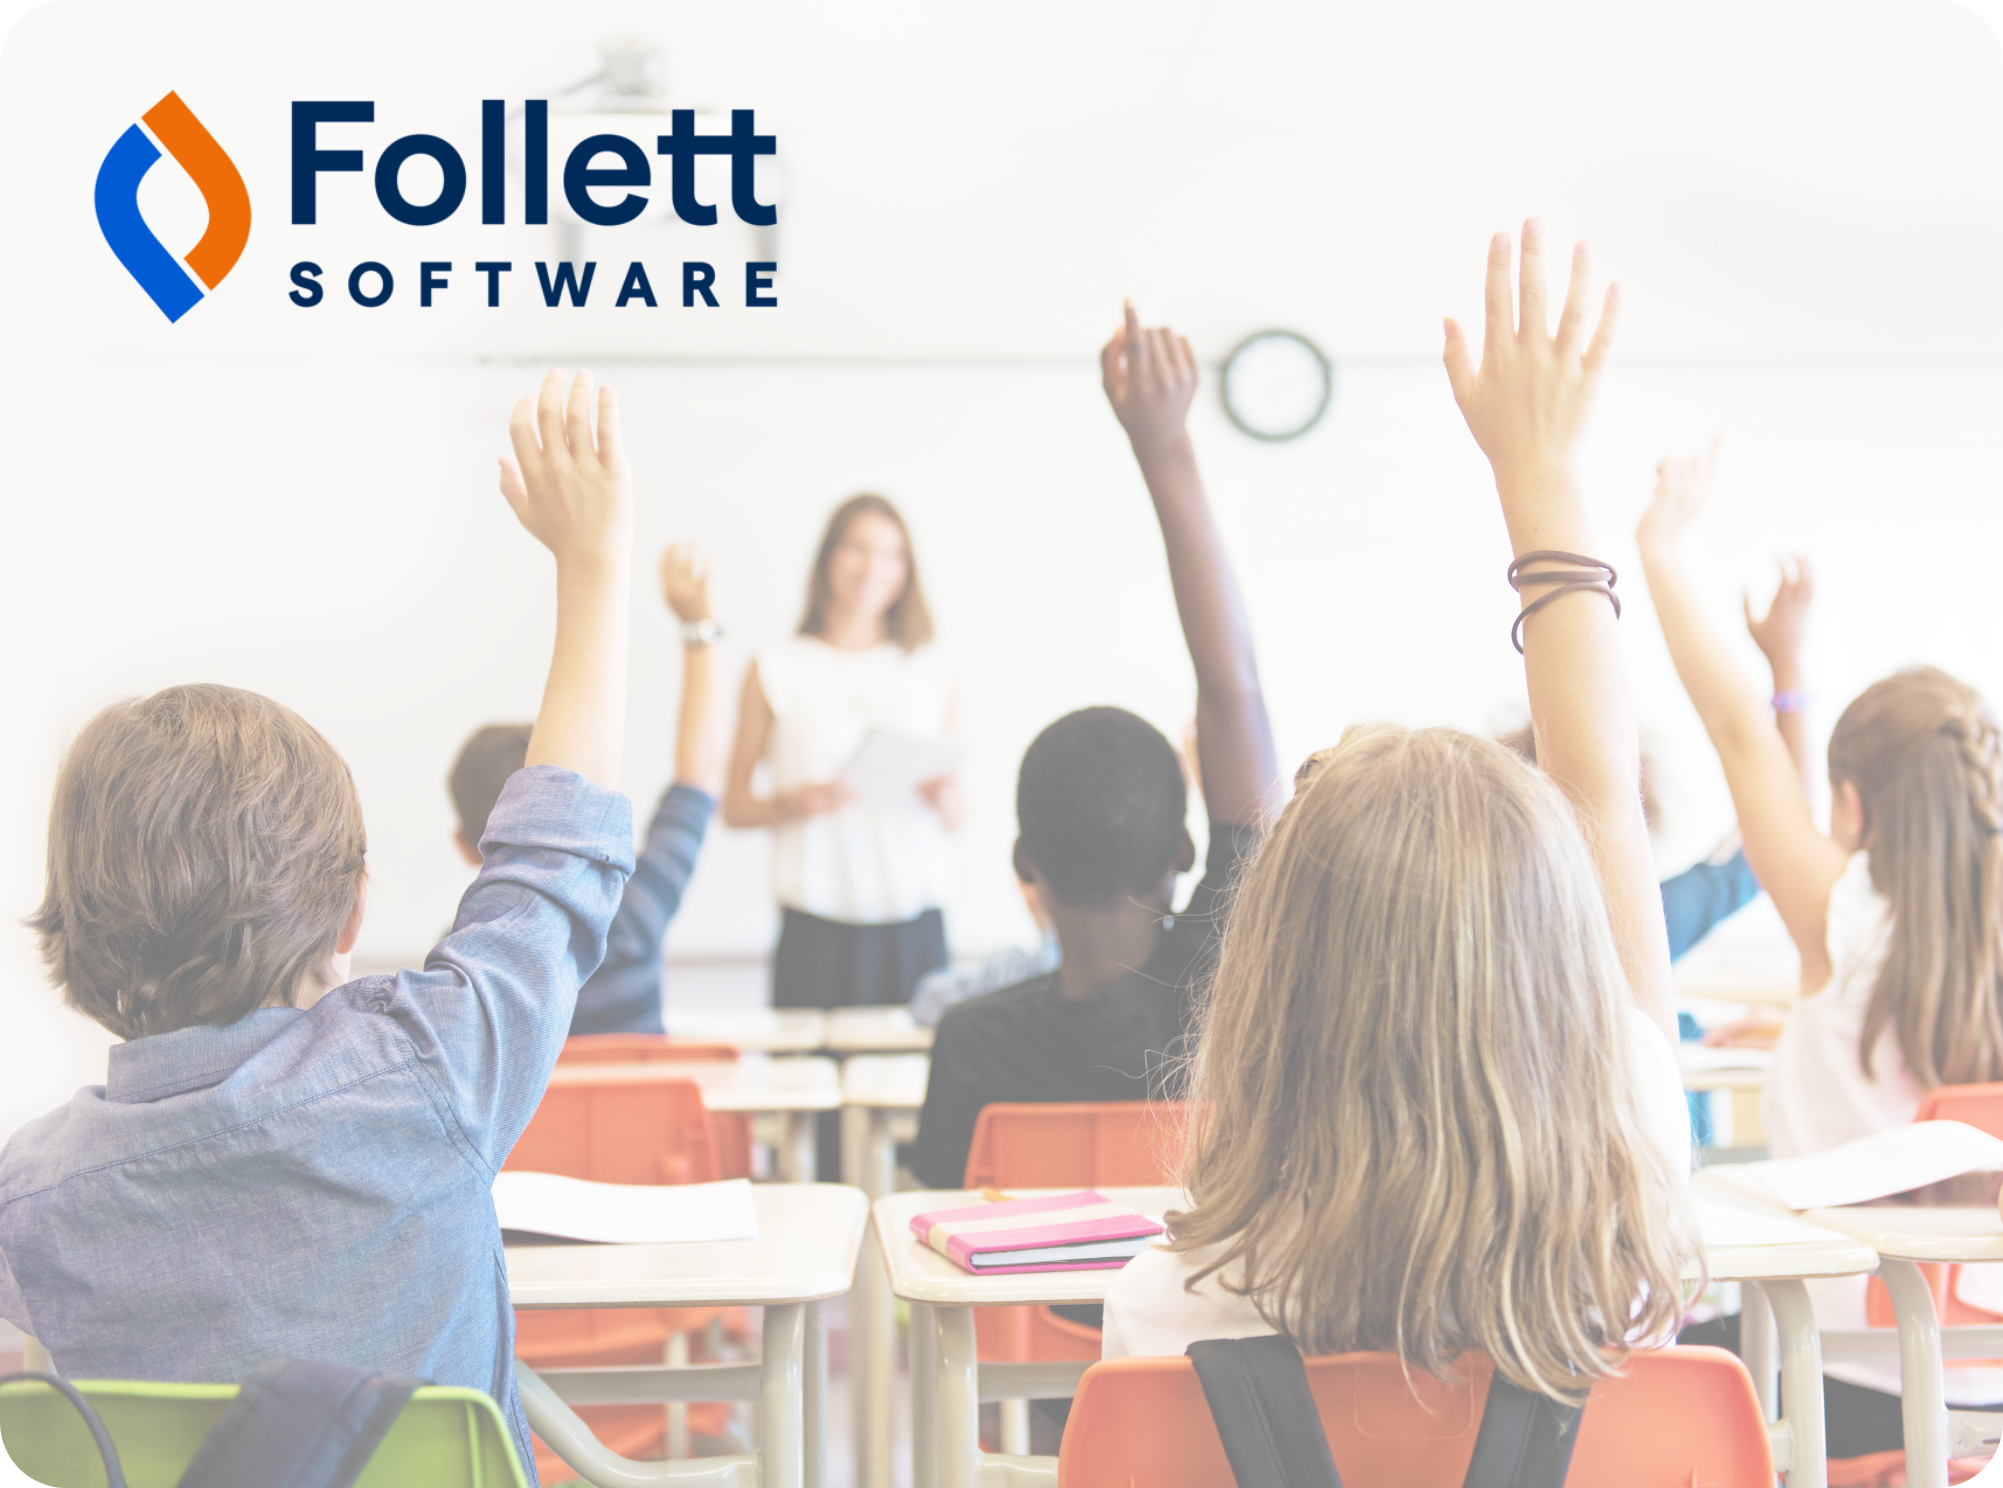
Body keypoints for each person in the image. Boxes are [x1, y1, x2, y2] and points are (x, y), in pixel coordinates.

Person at [0, 368, 636, 1476]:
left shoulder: (27, 1201)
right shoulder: (427, 1073)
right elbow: (555, 860)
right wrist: (593, 563)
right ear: (351, 904)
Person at [1103, 225, 1699, 1394]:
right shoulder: (1629, 1255)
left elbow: (1599, 810)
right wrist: (1542, 479)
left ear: (1271, 978)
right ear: (1558, 959)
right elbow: (1605, 808)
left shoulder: (1170, 1306)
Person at [1639, 441, 2003, 1452]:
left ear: (1848, 806)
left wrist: (1660, 541)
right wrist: (1787, 671)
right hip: (1986, 1397)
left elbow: (1731, 732)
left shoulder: (1841, 921)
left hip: (1842, 1388)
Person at [908, 301, 1280, 1193]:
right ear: (1184, 852)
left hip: (1028, 1340)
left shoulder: (971, 1042)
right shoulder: (1226, 1004)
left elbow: (941, 1245)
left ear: (1022, 865)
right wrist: (1164, 448)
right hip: (1195, 1337)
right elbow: (1234, 693)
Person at [448, 542, 726, 1035]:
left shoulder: (460, 969)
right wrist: (697, 629)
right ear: (576, 818)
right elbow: (698, 778)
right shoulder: (634, 920)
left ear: (468, 847)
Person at [723, 493, 959, 1010]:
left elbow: (955, 815)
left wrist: (948, 802)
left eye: (892, 554)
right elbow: (734, 807)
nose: (873, 567)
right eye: (857, 547)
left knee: (915, 1083)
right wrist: (794, 802)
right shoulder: (775, 667)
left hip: (913, 915)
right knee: (808, 1081)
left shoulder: (928, 668)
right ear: (829, 556)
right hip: (816, 919)